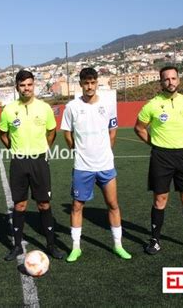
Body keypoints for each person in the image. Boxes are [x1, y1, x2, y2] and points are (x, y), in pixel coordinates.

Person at [134, 65, 183, 255]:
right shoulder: (152, 104)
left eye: (174, 78)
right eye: (166, 79)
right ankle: (155, 240)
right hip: (161, 157)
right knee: (160, 199)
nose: (171, 82)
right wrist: (154, 143)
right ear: (161, 82)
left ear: (179, 80)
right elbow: (139, 128)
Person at [61, 67, 132, 262]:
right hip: (82, 166)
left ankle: (118, 245)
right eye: (86, 83)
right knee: (77, 206)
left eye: (93, 82)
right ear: (81, 84)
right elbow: (67, 132)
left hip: (105, 165)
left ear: (96, 83)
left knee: (113, 204)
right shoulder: (72, 107)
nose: (90, 86)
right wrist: (76, 149)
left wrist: (106, 151)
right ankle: (75, 248)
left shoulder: (108, 104)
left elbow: (113, 130)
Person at [0, 70, 64, 261]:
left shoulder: (44, 108)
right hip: (18, 161)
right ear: (17, 87)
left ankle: (51, 245)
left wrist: (43, 148)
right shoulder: (9, 110)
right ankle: (17, 246)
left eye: (29, 84)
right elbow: (3, 134)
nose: (26, 88)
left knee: (43, 203)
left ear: (33, 84)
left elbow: (52, 131)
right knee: (19, 205)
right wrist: (13, 148)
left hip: (39, 160)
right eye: (22, 85)